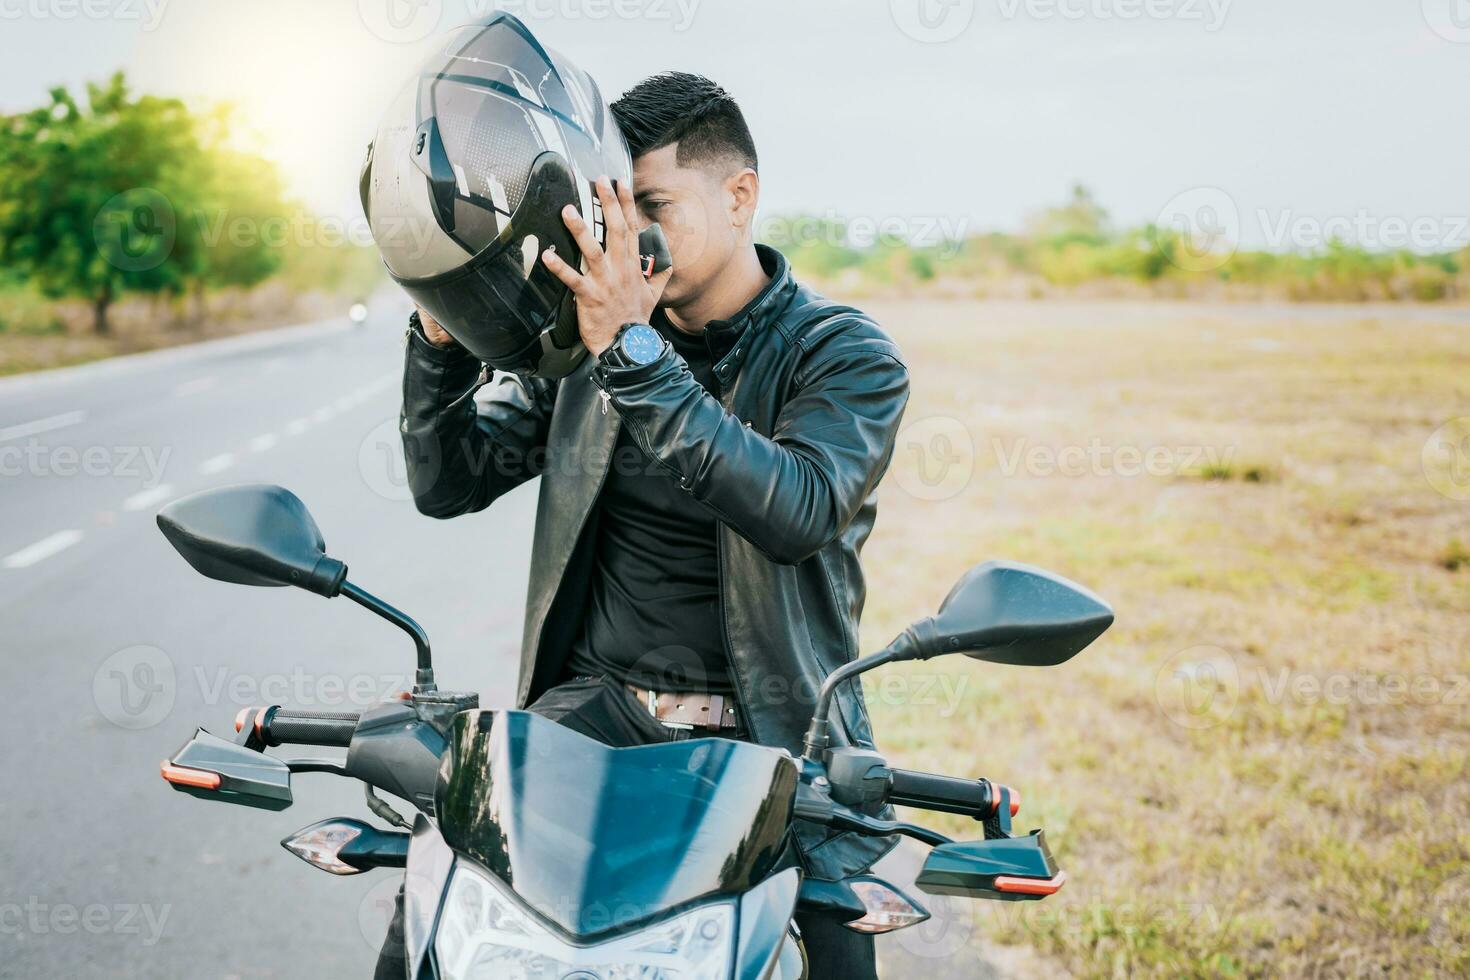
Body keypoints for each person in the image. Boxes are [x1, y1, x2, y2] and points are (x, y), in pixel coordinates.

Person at [384, 72, 909, 979]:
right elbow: (450, 482)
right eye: (612, 206)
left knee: (835, 948)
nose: (626, 236)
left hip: (775, 742)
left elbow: (795, 509)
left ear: (740, 196)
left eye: (653, 204)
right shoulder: (587, 349)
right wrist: (439, 335)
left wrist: (632, 348)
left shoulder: (843, 354)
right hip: (587, 721)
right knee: (430, 919)